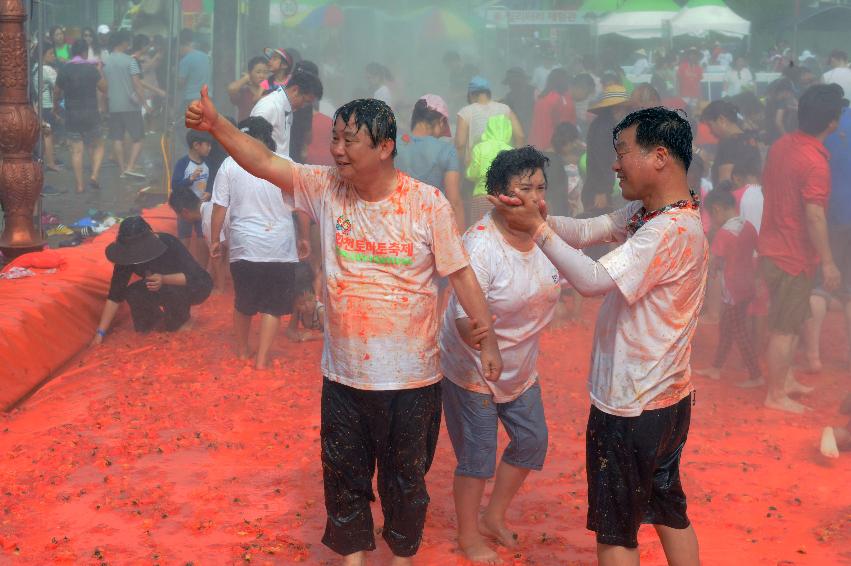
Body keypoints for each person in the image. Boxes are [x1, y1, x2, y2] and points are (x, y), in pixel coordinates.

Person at [185, 91, 502, 566]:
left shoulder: (426, 204)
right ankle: (352, 559)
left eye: (349, 140)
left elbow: (461, 274)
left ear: (385, 147)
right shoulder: (325, 187)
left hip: (412, 381)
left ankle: (401, 558)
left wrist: (488, 335)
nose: (336, 149)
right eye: (334, 138)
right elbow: (266, 163)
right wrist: (217, 126)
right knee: (344, 477)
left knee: (406, 482)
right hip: (345, 378)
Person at [490, 106, 705, 566]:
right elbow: (588, 230)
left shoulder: (667, 231)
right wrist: (538, 216)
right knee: (668, 508)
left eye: (622, 152)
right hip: (667, 397)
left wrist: (538, 230)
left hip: (632, 404)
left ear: (660, 156)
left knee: (616, 532)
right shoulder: (657, 213)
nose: (613, 163)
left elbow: (591, 281)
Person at [440, 147, 559, 564]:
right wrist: (484, 343)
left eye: (540, 188)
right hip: (471, 367)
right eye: (523, 188)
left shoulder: (547, 235)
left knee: (531, 441)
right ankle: (469, 535)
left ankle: (493, 516)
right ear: (497, 194)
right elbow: (462, 318)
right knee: (476, 459)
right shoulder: (479, 245)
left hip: (521, 367)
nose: (534, 198)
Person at [758, 84, 846, 414]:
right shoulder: (816, 163)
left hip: (775, 248)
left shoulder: (781, 145)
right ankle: (776, 394)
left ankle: (787, 379)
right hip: (792, 256)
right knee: (784, 327)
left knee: (791, 322)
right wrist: (829, 262)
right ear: (832, 124)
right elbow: (814, 215)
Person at [207, 116, 304, 370]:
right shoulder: (287, 164)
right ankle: (262, 359)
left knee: (244, 302)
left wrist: (215, 239)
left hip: (245, 246)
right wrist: (304, 238)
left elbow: (219, 207)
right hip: (279, 247)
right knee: (273, 305)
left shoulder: (229, 165)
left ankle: (242, 351)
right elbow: (303, 205)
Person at [92, 216, 213, 344]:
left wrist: (164, 279)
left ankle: (182, 319)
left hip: (186, 287)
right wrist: (100, 333)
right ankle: (153, 322)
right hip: (157, 286)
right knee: (133, 291)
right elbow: (115, 295)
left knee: (173, 322)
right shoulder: (126, 254)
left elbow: (199, 278)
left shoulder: (168, 243)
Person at [696, 188, 763, 387]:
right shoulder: (749, 226)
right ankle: (716, 368)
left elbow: (713, 262)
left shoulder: (724, 233)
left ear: (716, 210)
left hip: (732, 289)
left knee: (739, 332)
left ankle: (756, 375)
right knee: (726, 329)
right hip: (746, 285)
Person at [803, 104, 851, 374]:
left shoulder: (827, 123)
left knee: (820, 287)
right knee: (849, 291)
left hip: (829, 213)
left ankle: (813, 357)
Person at [395, 95, 464, 230]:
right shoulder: (447, 150)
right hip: (432, 228)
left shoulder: (392, 144)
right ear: (441, 121)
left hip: (397, 225)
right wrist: (461, 242)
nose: (440, 136)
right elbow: (454, 201)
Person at [54, 39, 107, 194]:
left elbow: (56, 92)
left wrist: (55, 107)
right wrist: (99, 69)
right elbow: (104, 88)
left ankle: (80, 186)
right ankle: (95, 174)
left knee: (76, 151)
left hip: (72, 115)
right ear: (85, 52)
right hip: (91, 114)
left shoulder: (65, 69)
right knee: (98, 145)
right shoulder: (91, 69)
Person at [102, 29, 149, 179]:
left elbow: (103, 85)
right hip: (130, 106)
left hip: (113, 105)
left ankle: (122, 169)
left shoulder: (106, 62)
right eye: (127, 41)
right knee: (139, 138)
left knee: (117, 138)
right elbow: (137, 84)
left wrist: (103, 105)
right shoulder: (130, 61)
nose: (129, 44)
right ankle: (130, 167)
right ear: (123, 43)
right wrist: (145, 104)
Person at [250, 69, 323, 158]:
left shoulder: (287, 108)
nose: (303, 106)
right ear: (295, 90)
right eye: (305, 101)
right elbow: (253, 147)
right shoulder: (269, 106)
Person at [168, 187, 229, 294]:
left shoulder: (208, 222)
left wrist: (220, 288)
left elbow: (218, 256)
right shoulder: (212, 206)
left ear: (185, 212)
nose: (179, 218)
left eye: (178, 215)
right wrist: (208, 276)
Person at [581, 84, 630, 214]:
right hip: (598, 192)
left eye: (624, 108)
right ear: (612, 109)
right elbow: (601, 161)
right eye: (619, 108)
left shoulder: (607, 125)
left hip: (601, 188)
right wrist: (601, 191)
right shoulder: (603, 128)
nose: (622, 112)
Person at [455, 76, 524, 164]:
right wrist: (517, 159)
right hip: (504, 164)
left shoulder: (465, 112)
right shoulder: (505, 109)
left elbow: (460, 144)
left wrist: (457, 166)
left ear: (471, 94)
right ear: (488, 93)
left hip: (477, 167)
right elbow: (520, 136)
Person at [171, 130, 213, 266]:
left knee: (203, 237)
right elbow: (175, 186)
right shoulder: (183, 163)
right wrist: (190, 179)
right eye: (207, 145)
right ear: (196, 145)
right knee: (184, 237)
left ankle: (202, 271)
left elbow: (212, 182)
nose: (210, 148)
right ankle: (183, 268)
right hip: (186, 208)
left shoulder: (208, 163)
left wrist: (209, 192)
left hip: (202, 207)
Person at [700, 99, 758, 188]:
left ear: (721, 120)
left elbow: (724, 184)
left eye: (710, 125)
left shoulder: (729, 143)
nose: (710, 131)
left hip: (733, 200)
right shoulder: (750, 140)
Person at [467, 115, 513, 224]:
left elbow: (472, 174)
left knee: (479, 230)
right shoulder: (511, 151)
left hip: (481, 196)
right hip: (503, 199)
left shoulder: (479, 148)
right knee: (501, 232)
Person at [529, 68, 576, 152]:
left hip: (536, 141)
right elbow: (556, 124)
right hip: (549, 144)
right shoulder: (556, 98)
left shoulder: (544, 96)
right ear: (562, 82)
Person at [33, 44, 61, 172]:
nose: (54, 56)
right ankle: (51, 163)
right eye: (51, 53)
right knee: (48, 134)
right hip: (47, 105)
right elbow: (59, 87)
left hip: (37, 106)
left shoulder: (35, 67)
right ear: (43, 54)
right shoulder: (48, 70)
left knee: (42, 134)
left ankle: (44, 159)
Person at [177, 28, 211, 110]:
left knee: (181, 121)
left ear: (181, 45)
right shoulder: (207, 57)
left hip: (191, 99)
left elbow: (180, 83)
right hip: (207, 98)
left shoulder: (185, 60)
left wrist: (175, 74)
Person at [228, 56, 268, 122]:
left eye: (265, 72)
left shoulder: (270, 93)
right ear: (250, 73)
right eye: (258, 72)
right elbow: (231, 89)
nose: (262, 76)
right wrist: (245, 78)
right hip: (244, 131)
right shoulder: (243, 92)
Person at [499, 67, 535, 138]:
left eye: (511, 83)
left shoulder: (533, 92)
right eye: (510, 84)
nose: (510, 86)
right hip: (520, 132)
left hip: (529, 132)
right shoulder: (509, 97)